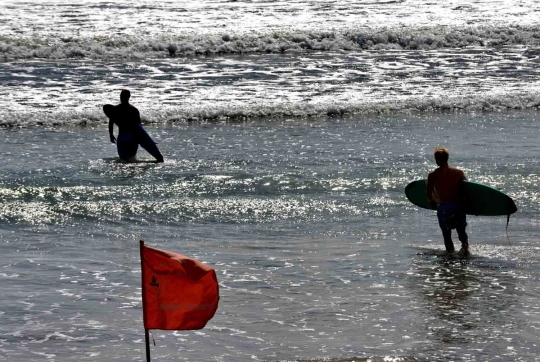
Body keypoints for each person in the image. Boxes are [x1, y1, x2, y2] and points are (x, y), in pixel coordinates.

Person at [426, 147, 469, 256]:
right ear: (447, 158)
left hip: (444, 207)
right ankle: (465, 249)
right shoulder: (458, 172)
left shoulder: (433, 175)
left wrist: (432, 202)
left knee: (446, 233)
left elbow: (429, 193)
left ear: (436, 159)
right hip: (458, 206)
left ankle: (450, 254)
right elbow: (467, 189)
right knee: (461, 230)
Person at [107, 89, 164, 163]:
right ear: (129, 97)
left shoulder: (116, 109)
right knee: (132, 160)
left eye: (121, 96)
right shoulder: (134, 110)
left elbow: (111, 123)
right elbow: (139, 127)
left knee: (124, 160)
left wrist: (111, 135)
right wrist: (143, 140)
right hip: (132, 137)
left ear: (121, 97)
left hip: (122, 138)